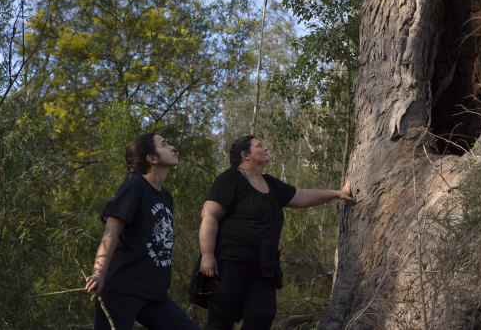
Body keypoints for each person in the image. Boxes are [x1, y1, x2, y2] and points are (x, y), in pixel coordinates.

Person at [196, 135, 353, 330]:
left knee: (262, 317)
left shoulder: (271, 184)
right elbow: (209, 214)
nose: (266, 148)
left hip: (263, 266)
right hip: (229, 263)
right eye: (259, 145)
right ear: (245, 155)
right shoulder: (230, 179)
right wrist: (207, 255)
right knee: (220, 322)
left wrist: (337, 193)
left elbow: (302, 196)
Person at [85, 133, 200, 330]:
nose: (172, 147)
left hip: (154, 295)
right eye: (164, 144)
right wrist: (98, 274)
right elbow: (111, 231)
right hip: (121, 290)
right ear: (152, 158)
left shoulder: (166, 197)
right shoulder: (136, 186)